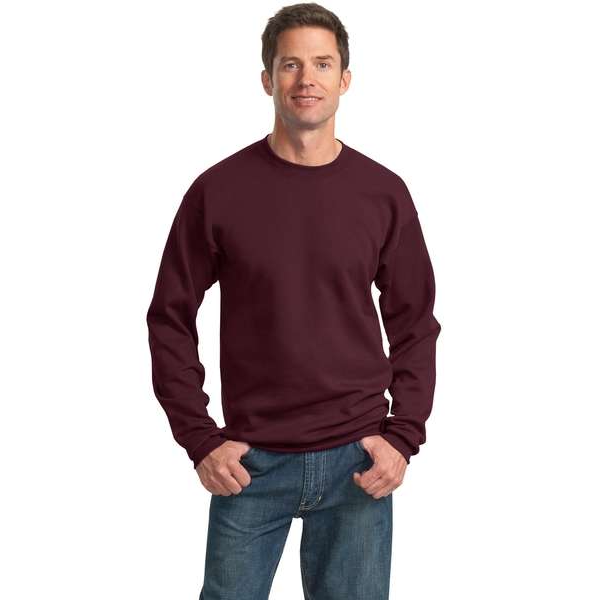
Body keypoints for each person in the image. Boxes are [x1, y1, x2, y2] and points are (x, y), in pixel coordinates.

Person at [146, 3, 441, 599]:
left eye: (322, 64)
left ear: (345, 79)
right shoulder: (218, 190)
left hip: (358, 462)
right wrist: (199, 438)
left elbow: (414, 321)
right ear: (267, 79)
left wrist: (403, 436)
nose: (307, 79)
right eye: (290, 65)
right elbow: (170, 317)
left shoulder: (382, 193)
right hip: (249, 464)